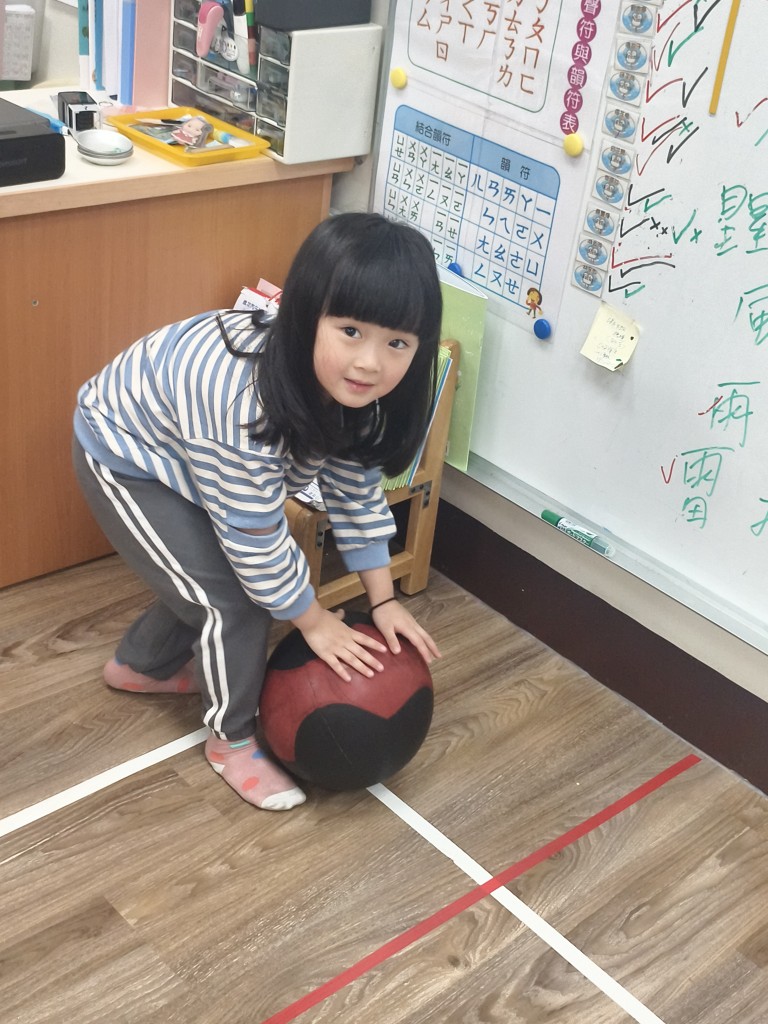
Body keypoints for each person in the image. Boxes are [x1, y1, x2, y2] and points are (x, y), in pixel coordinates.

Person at [72, 212, 443, 811]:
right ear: (306, 316)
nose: (371, 363)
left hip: (190, 454)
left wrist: (383, 600)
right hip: (125, 452)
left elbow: (355, 492)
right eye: (351, 331)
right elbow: (255, 541)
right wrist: (313, 620)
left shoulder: (357, 394)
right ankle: (231, 741)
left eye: (396, 343)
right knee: (235, 601)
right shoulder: (244, 403)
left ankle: (142, 666)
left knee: (213, 577)